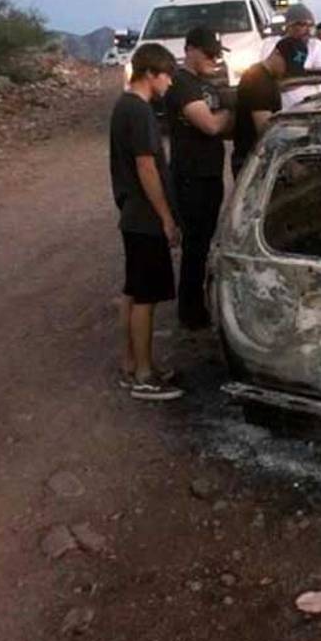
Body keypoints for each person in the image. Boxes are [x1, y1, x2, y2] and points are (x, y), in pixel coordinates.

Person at [109, 43, 183, 401]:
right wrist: (166, 217)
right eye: (167, 75)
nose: (169, 83)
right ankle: (143, 375)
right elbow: (146, 166)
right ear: (152, 74)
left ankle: (132, 363)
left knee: (133, 291)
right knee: (146, 298)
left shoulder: (126, 107)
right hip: (144, 217)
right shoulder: (138, 112)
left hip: (133, 215)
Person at [166, 27, 234, 331]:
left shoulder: (202, 84)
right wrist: (226, 114)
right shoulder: (182, 84)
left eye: (216, 54)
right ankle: (190, 312)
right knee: (195, 247)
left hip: (208, 174)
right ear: (190, 49)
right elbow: (209, 124)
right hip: (192, 176)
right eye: (208, 53)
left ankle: (196, 305)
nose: (214, 58)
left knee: (204, 242)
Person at [233, 37, 307, 177]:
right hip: (252, 163)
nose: (287, 72)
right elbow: (265, 129)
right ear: (277, 53)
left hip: (256, 159)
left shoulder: (266, 78)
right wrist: (290, 162)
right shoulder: (258, 81)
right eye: (287, 65)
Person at [261, 3, 321, 109]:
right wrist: (308, 75)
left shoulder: (315, 45)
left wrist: (293, 77)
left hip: (312, 108)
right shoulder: (272, 44)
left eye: (311, 25)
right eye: (302, 25)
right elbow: (271, 80)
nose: (308, 30)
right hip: (283, 112)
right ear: (289, 26)